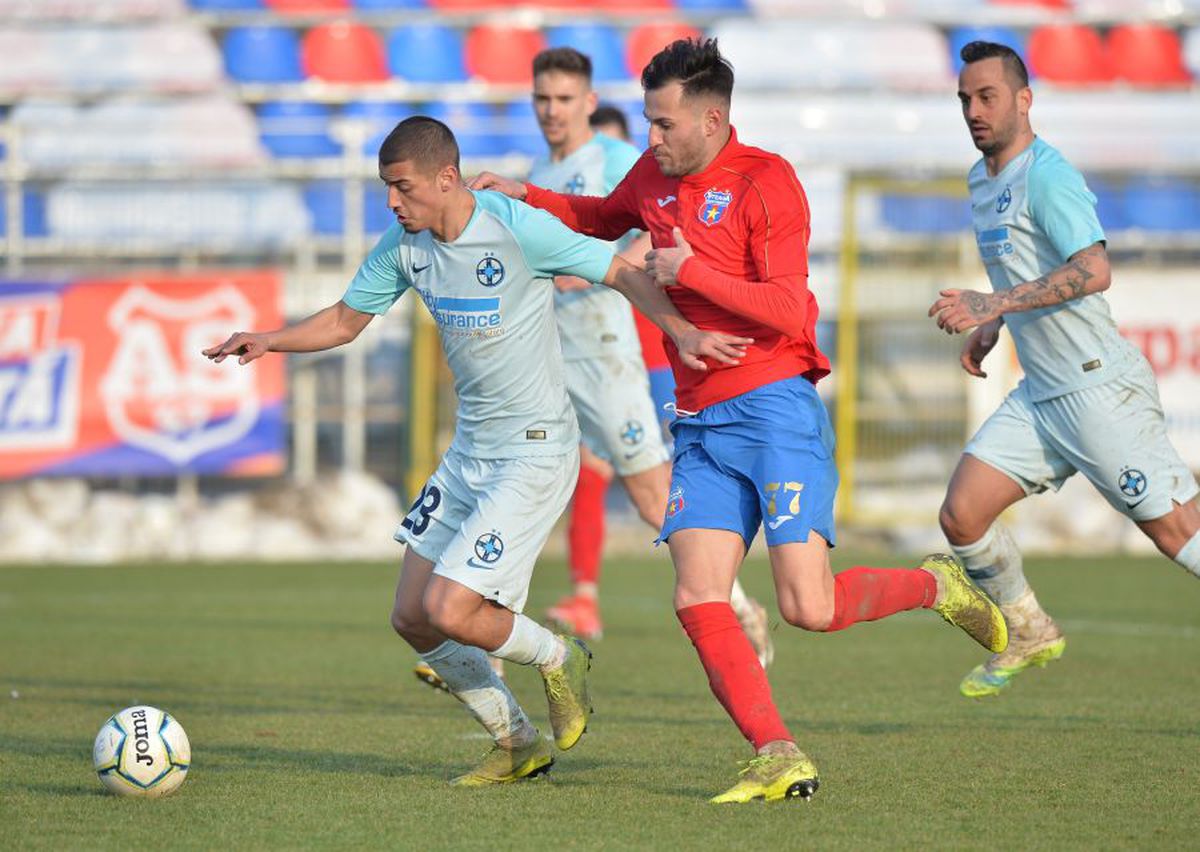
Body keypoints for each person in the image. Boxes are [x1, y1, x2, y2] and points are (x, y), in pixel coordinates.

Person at [473, 39, 1008, 803]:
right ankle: (777, 752)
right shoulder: (654, 176)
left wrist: (691, 271)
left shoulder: (767, 181)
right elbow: (597, 216)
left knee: (808, 607)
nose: (651, 139)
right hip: (698, 423)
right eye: (650, 122)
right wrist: (528, 195)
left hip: (773, 409)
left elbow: (791, 310)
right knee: (697, 595)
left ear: (712, 119)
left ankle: (934, 585)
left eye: (664, 124)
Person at [203, 116, 747, 786]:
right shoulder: (405, 246)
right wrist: (269, 339)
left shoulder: (516, 228)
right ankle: (517, 741)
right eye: (386, 189)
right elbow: (346, 320)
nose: (393, 202)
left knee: (450, 609)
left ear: (446, 178)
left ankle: (558, 655)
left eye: (402, 187)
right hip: (471, 455)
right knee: (411, 616)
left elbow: (618, 271)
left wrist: (681, 332)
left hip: (537, 451)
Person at [931, 41, 1200, 698]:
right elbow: (1026, 267)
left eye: (987, 96)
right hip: (1043, 395)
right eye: (964, 98)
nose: (973, 110)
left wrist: (991, 302)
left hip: (1097, 388)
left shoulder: (1046, 175)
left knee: (1178, 535)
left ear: (1024, 100)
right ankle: (1029, 629)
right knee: (962, 517)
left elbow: (1093, 269)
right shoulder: (981, 178)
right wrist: (997, 324)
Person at [527, 49, 774, 664]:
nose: (551, 111)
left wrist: (604, 268)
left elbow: (651, 221)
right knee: (531, 474)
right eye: (542, 99)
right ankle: (481, 614)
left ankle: (735, 602)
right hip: (549, 355)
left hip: (605, 352)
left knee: (647, 493)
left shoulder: (614, 158)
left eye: (563, 99)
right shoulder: (537, 169)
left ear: (587, 102)